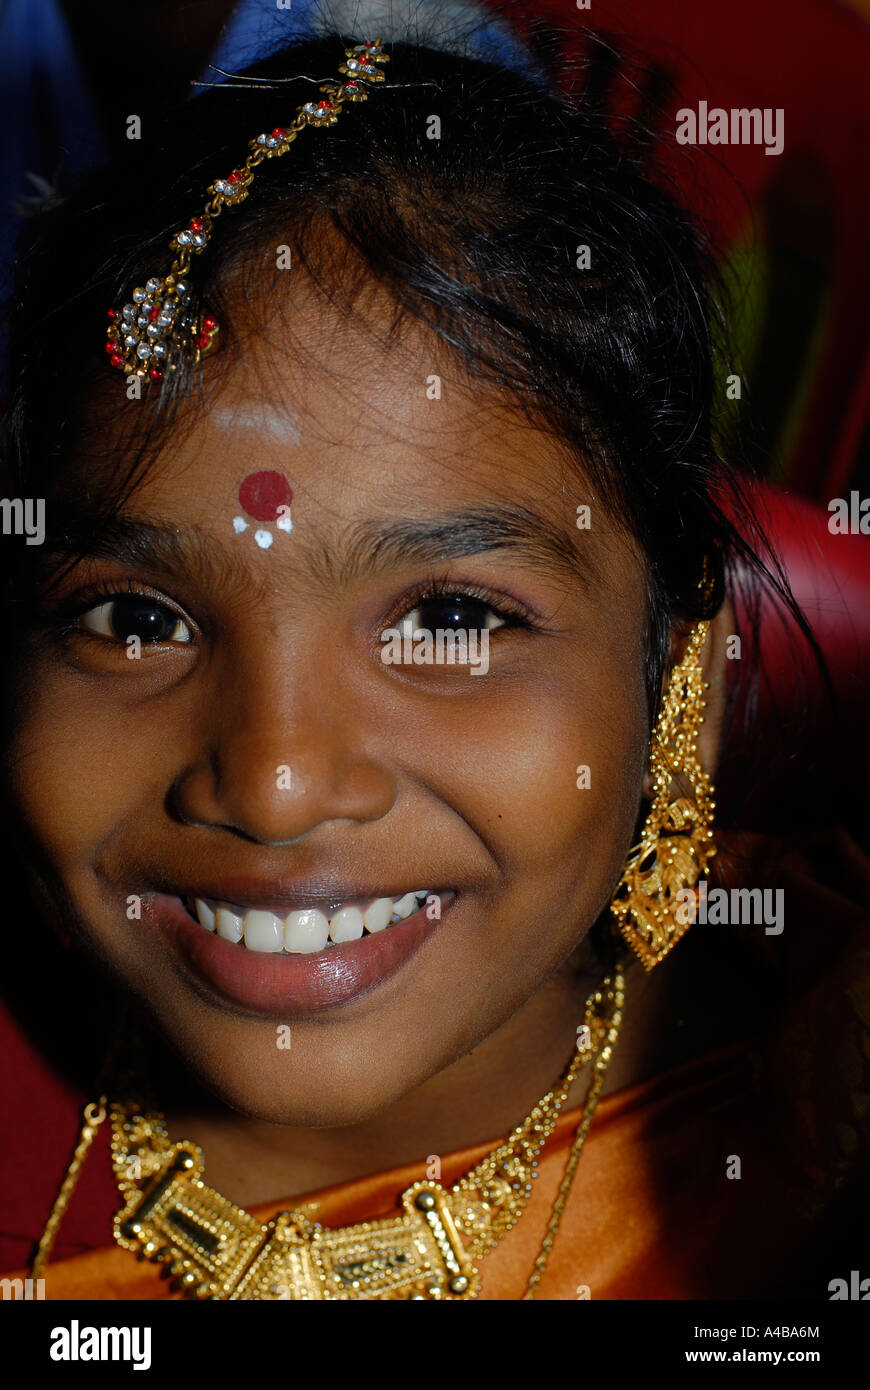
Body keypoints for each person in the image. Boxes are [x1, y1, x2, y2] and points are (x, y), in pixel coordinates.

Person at [0, 28, 867, 1302]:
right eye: (138, 620)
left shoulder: (811, 1143)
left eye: (454, 619)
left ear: (680, 683)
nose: (279, 781)